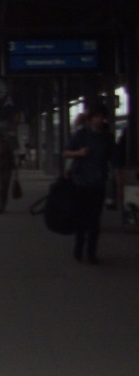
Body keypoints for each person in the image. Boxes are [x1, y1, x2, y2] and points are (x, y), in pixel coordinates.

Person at [62, 103, 114, 264]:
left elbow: (114, 159)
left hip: (98, 183)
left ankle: (91, 253)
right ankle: (79, 248)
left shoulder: (107, 137)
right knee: (81, 217)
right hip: (81, 182)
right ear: (91, 119)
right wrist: (79, 153)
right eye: (96, 117)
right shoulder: (82, 134)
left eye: (101, 117)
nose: (99, 120)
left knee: (94, 220)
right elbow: (65, 152)